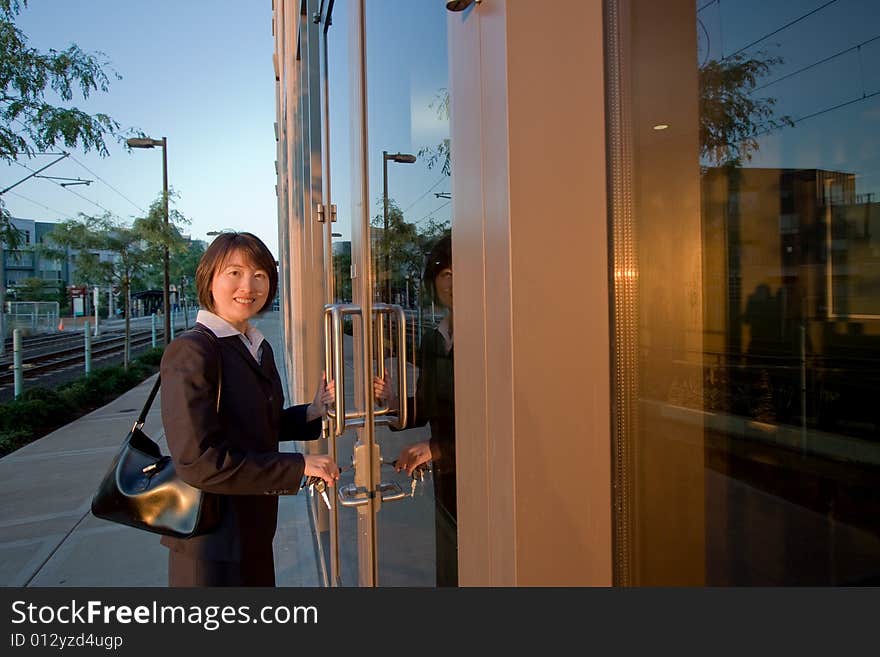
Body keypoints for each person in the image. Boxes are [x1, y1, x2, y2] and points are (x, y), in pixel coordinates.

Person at [159, 231, 339, 587]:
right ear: (209, 279)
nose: (249, 285)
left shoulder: (256, 346)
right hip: (211, 543)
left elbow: (260, 426)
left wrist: (313, 411)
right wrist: (299, 464)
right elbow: (198, 462)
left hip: (254, 528)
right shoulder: (192, 352)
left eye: (260, 274)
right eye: (235, 273)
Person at [377, 234, 456, 586]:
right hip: (447, 476)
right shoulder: (434, 339)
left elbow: (498, 421)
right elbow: (425, 407)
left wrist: (436, 449)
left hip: (486, 474)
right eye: (445, 273)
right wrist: (395, 404)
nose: (453, 282)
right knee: (452, 556)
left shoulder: (495, 333)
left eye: (462, 271)